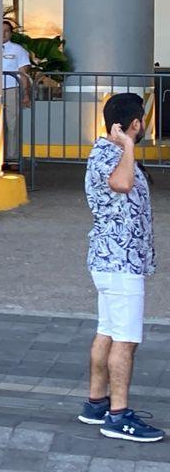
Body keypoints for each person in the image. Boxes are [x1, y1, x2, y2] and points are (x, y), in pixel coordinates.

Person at [76, 93, 160, 442]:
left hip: (117, 259)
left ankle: (96, 403)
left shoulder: (106, 152)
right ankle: (118, 416)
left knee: (108, 332)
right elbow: (122, 184)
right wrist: (128, 145)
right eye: (142, 120)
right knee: (125, 340)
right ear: (134, 123)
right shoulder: (112, 153)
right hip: (119, 261)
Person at [1, 20, 32, 173]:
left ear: (10, 33)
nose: (2, 33)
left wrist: (25, 93)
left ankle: (12, 158)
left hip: (11, 89)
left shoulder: (18, 50)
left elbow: (24, 73)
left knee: (11, 124)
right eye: (0, 30)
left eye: (6, 31)